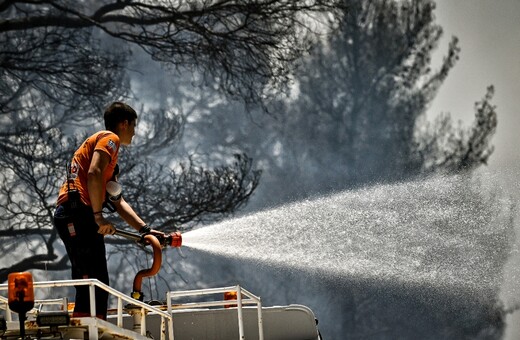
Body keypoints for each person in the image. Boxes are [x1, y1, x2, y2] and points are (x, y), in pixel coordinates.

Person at [53, 101, 163, 319]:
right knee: (91, 279)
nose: (134, 132)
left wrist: (145, 230)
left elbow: (117, 201)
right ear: (124, 123)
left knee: (96, 280)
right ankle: (86, 330)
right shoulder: (109, 139)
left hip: (77, 213)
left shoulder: (110, 160)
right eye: (133, 126)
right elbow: (93, 173)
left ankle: (89, 325)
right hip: (77, 213)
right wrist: (98, 217)